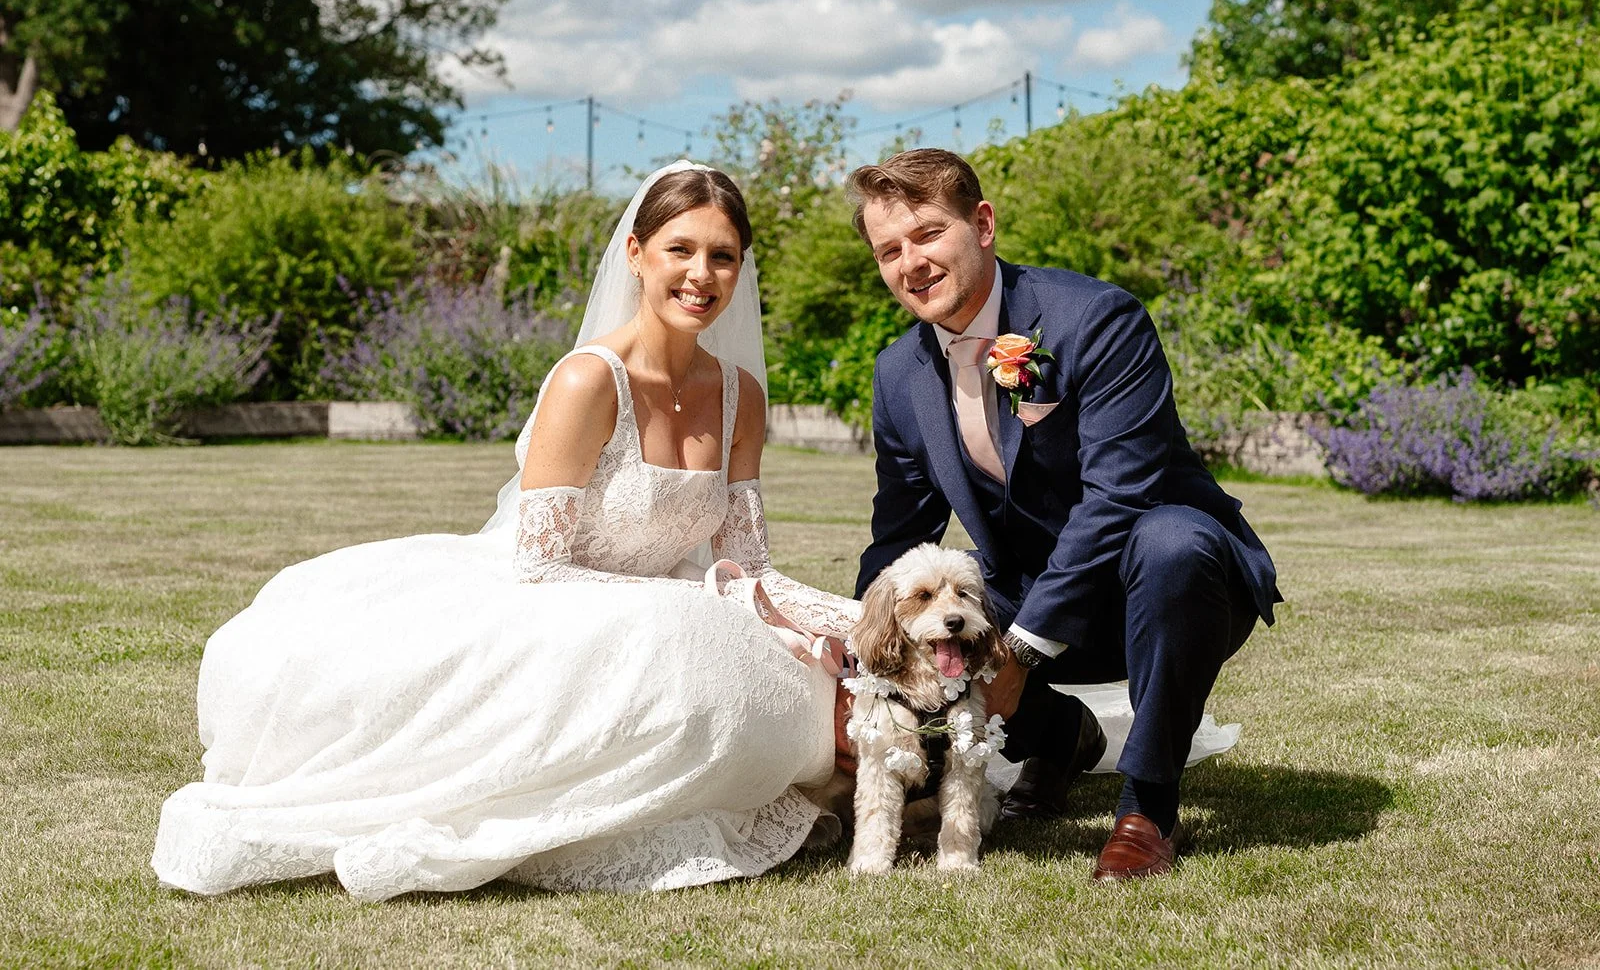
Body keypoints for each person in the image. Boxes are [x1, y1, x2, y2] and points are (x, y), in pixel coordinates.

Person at [151, 162, 861, 901]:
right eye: (680, 249)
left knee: (798, 660)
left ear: (741, 268)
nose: (701, 273)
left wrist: (858, 623)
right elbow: (541, 567)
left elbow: (746, 569)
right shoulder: (588, 380)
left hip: (662, 609)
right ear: (635, 252)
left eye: (722, 255)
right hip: (545, 604)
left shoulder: (740, 398)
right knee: (691, 639)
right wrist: (687, 607)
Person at [850, 148, 1280, 882]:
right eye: (890, 250)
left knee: (1171, 541)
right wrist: (857, 650)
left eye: (926, 234)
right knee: (947, 601)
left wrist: (1018, 650)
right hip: (1029, 590)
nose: (910, 262)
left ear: (982, 223)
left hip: (1168, 583)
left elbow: (1120, 494)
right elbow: (897, 535)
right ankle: (1060, 736)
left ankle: (1147, 805)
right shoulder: (899, 373)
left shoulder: (1097, 319)